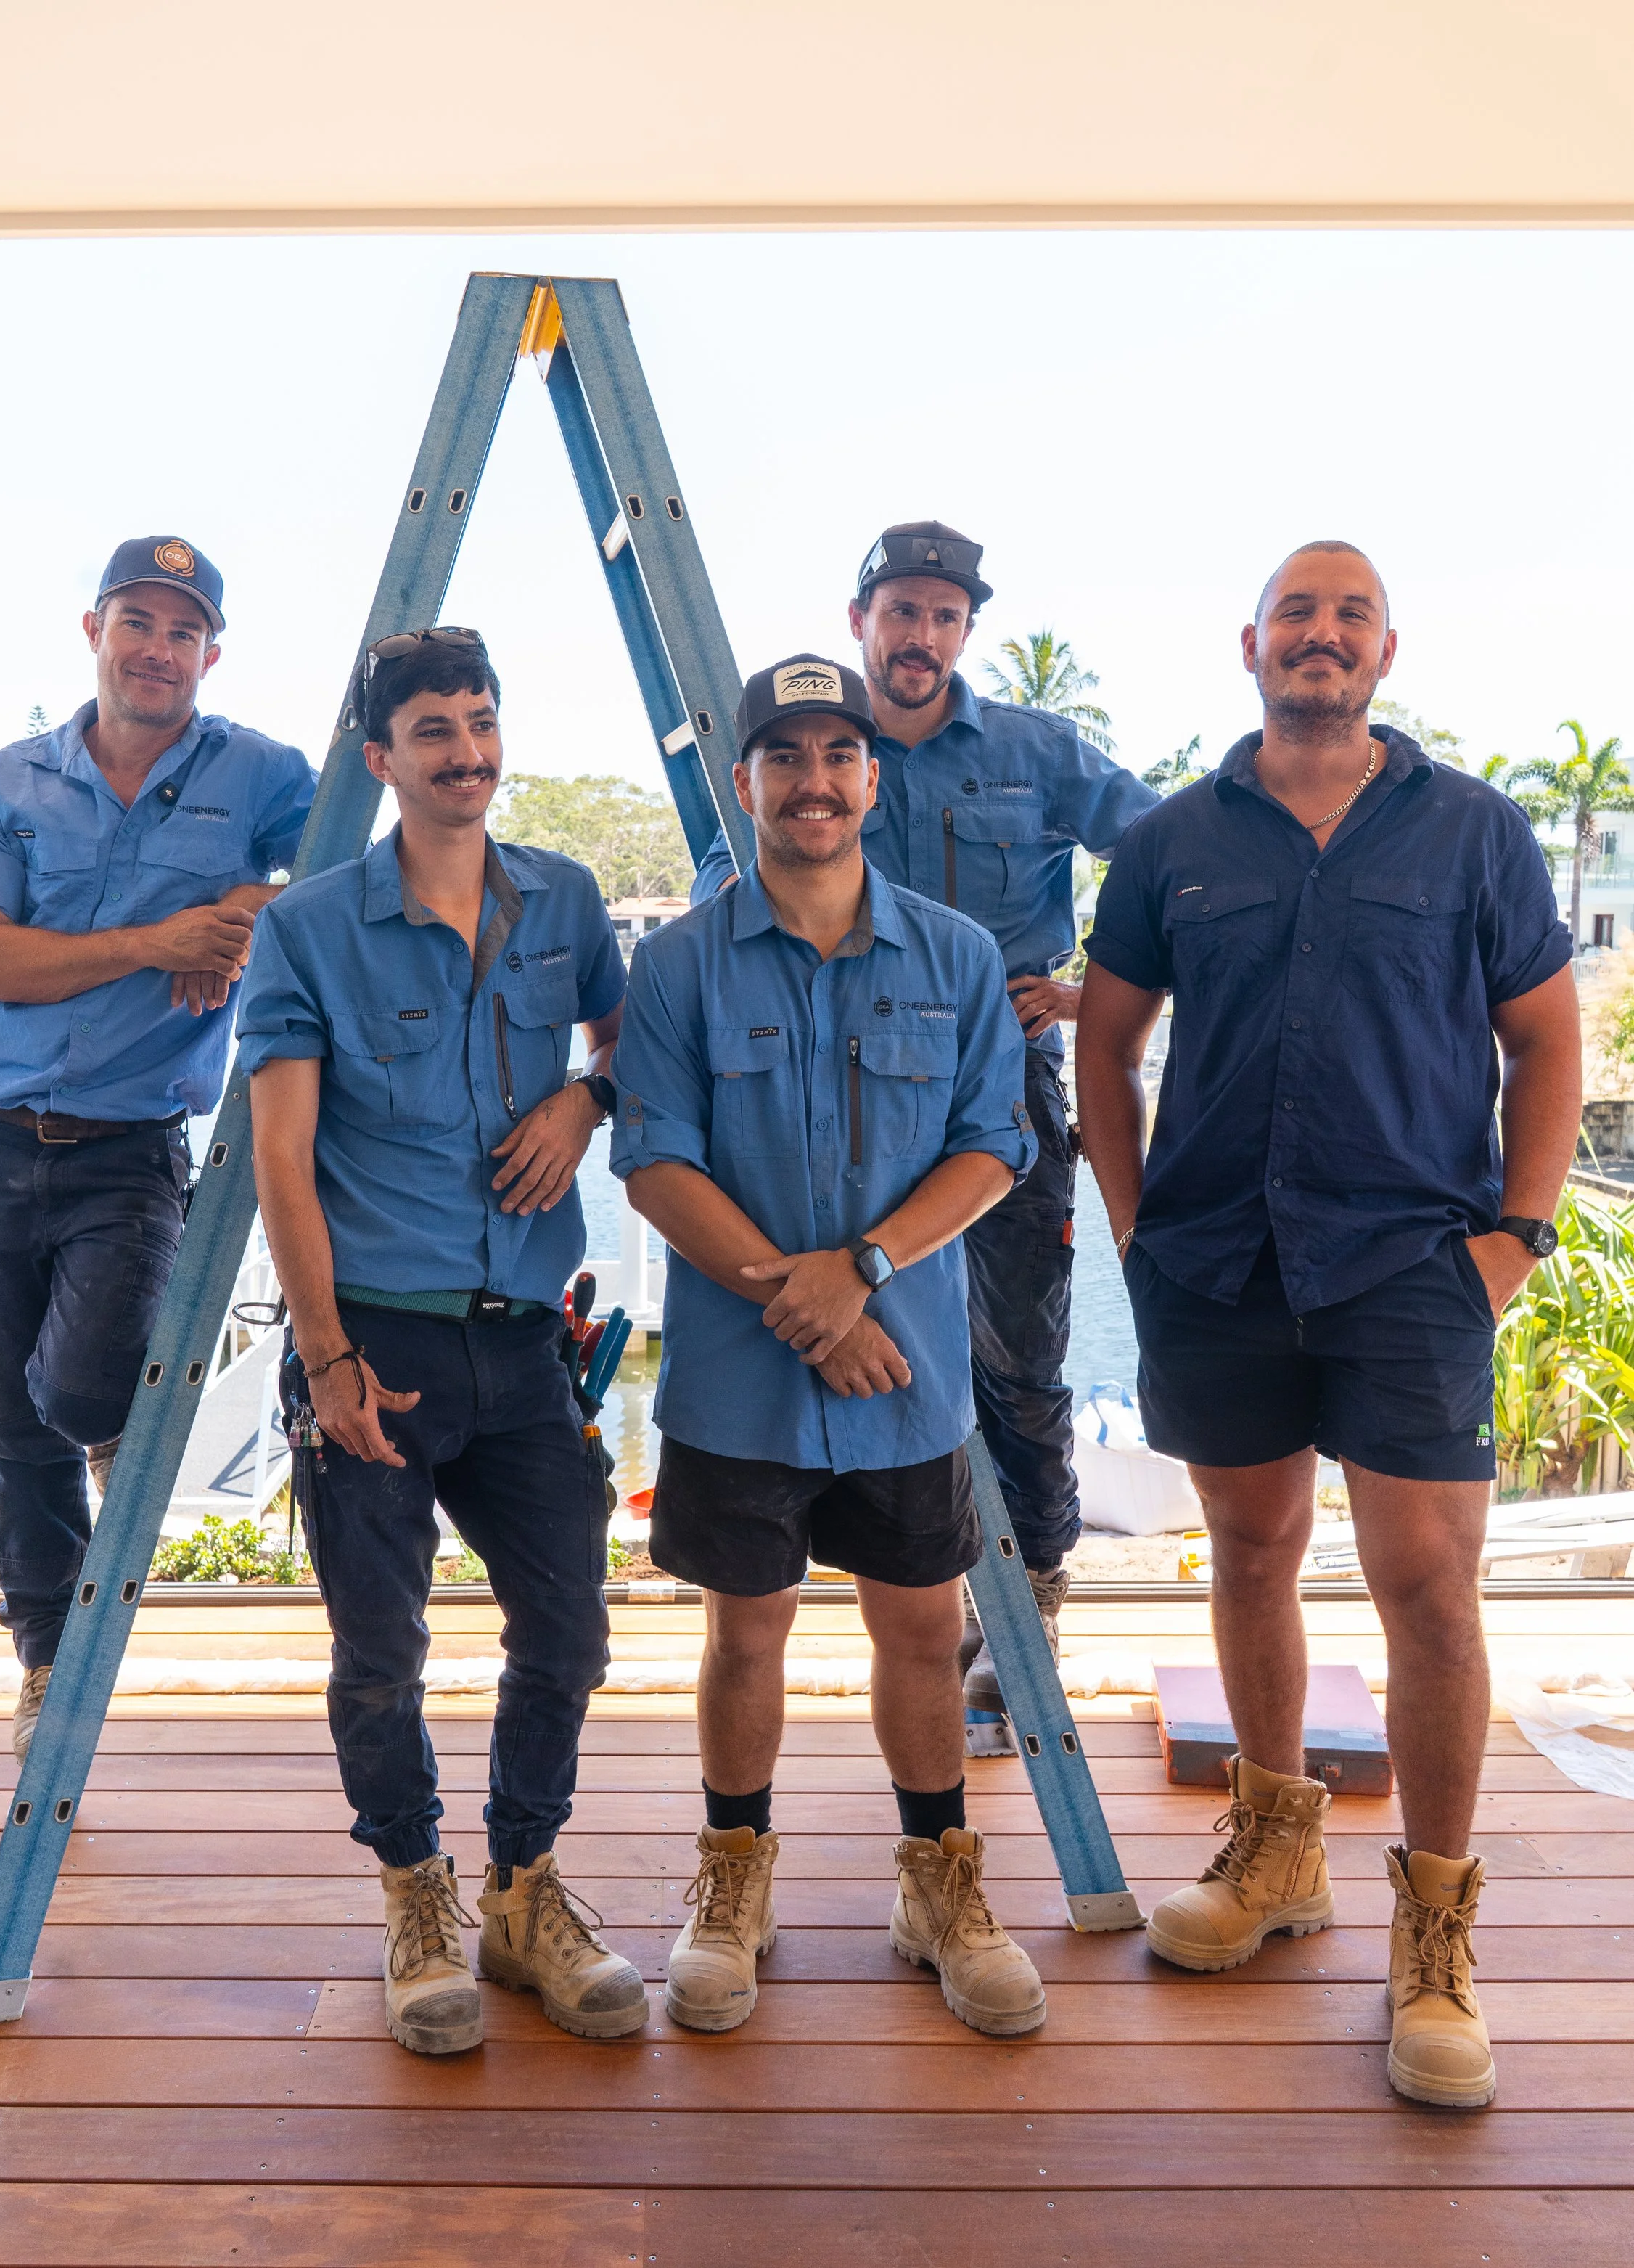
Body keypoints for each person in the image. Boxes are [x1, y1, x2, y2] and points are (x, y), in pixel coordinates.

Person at [1075, 541, 1581, 2111]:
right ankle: (1276, 1847)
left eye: (1346, 611)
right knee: (1247, 1548)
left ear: (1382, 648)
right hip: (1217, 1259)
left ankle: (1430, 1933)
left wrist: (1510, 1234)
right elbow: (1105, 1041)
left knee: (1424, 1584)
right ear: (1248, 644)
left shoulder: (1472, 831)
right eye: (1295, 610)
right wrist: (1136, 1226)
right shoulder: (1169, 841)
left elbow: (1544, 1040)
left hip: (1408, 1261)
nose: (1319, 632)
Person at [614, 650, 1048, 2038]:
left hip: (906, 1376)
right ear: (744, 781)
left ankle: (939, 1883)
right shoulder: (676, 964)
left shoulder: (959, 956)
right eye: (785, 756)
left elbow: (998, 1144)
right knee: (748, 1636)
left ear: (873, 776)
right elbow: (652, 1158)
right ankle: (734, 1882)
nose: (814, 782)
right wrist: (796, 1299)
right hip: (741, 1382)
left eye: (837, 755)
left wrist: (860, 1273)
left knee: (922, 1628)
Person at [237, 626, 647, 2059]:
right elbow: (282, 1160)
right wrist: (328, 1354)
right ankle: (414, 1893)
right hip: (381, 1349)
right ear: (380, 758)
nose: (465, 750)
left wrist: (584, 1103)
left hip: (525, 1340)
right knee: (379, 1650)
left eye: (479, 720)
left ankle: (522, 1887)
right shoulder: (309, 928)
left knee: (573, 1626)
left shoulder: (568, 899)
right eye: (433, 729)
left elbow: (627, 1040)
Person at [694, 525, 1157, 1698]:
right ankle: (897, 1620)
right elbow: (720, 909)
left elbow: (1174, 863)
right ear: (864, 621)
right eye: (903, 611)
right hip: (828, 1103)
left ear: (965, 632)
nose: (923, 635)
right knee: (850, 1344)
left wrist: (1096, 990)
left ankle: (1029, 1624)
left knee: (1022, 1366)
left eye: (946, 616)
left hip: (1001, 1091)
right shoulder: (808, 759)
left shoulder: (1033, 751)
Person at [0, 537, 314, 1761]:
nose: (159, 648)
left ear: (211, 651)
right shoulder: (4, 782)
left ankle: (115, 1482)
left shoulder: (260, 774)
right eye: (138, 622)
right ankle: (52, 1661)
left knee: (86, 1391)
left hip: (137, 1145)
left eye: (183, 630)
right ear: (93, 629)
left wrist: (246, 916)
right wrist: (162, 942)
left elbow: (348, 883)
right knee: (5, 1424)